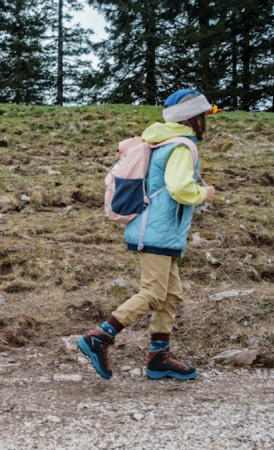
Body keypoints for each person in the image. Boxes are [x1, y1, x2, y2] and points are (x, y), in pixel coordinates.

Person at [78, 90, 221, 380]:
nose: (208, 121)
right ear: (195, 118)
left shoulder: (161, 141)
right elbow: (179, 188)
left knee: (170, 295)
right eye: (205, 115)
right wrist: (204, 193)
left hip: (160, 231)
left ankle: (158, 356)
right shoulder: (180, 147)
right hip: (158, 231)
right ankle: (100, 336)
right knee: (155, 293)